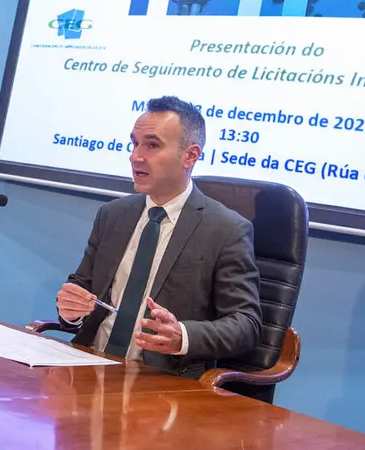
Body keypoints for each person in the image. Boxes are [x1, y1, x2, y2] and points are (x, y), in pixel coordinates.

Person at [56, 95, 262, 378]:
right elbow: (83, 287)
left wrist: (182, 336)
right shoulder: (113, 214)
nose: (135, 156)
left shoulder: (225, 229)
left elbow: (245, 324)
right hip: (88, 367)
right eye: (135, 143)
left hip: (160, 381)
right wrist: (71, 310)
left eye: (152, 145)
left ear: (190, 155)